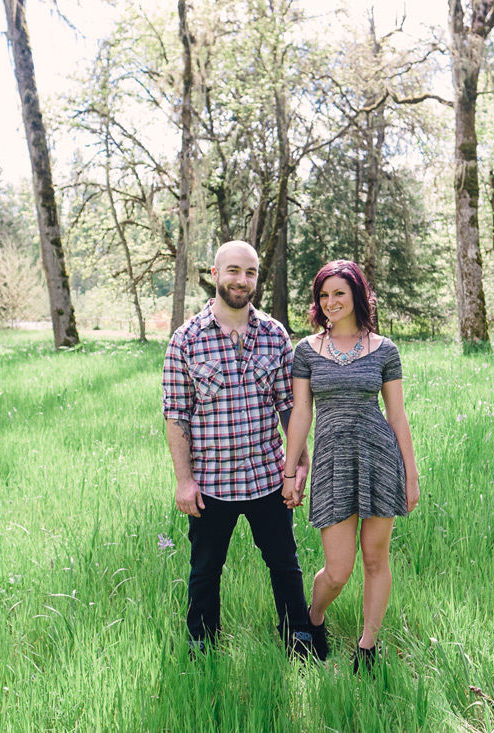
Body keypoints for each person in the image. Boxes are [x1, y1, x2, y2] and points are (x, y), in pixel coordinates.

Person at [162, 240, 317, 657]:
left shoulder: (274, 334)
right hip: (212, 481)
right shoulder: (186, 339)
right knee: (206, 569)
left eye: (249, 272)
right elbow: (176, 414)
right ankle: (201, 646)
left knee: (285, 563)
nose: (241, 280)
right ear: (215, 275)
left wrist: (300, 465)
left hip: (268, 475)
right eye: (233, 270)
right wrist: (184, 481)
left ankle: (298, 638)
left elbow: (290, 406)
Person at [281, 259, 420, 672]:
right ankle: (315, 619)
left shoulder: (385, 349)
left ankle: (367, 646)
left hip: (379, 459)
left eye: (338, 293)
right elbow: (301, 413)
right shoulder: (305, 350)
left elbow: (397, 415)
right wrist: (290, 472)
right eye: (323, 296)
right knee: (338, 570)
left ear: (357, 295)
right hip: (331, 461)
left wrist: (411, 474)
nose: (330, 302)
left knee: (376, 560)